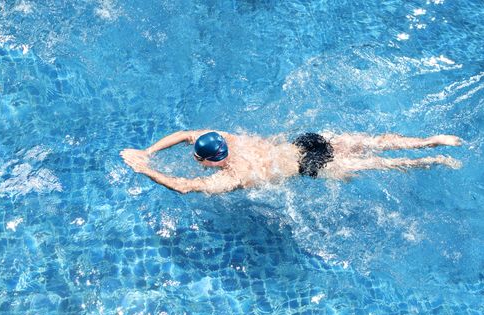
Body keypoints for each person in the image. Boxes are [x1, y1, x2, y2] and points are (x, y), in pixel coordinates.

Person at [120, 130, 462, 194]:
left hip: (312, 167)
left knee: (381, 165)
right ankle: (433, 140)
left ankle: (437, 159)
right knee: (375, 143)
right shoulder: (229, 137)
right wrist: (148, 149)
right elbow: (183, 133)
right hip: (305, 141)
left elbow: (183, 187)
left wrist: (145, 167)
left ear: (210, 162)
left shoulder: (234, 176)